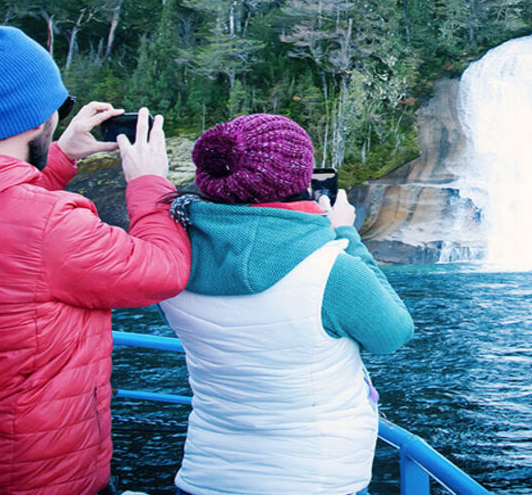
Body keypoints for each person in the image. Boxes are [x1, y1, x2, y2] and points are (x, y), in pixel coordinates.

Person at [0, 19, 192, 495]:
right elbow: (163, 270)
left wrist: (60, 155)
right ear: (41, 118)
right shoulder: (50, 223)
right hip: (35, 475)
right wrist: (150, 184)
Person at [160, 113, 414, 495]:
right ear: (298, 182)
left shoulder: (170, 264)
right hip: (317, 480)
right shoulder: (332, 271)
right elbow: (394, 334)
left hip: (205, 477)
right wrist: (346, 233)